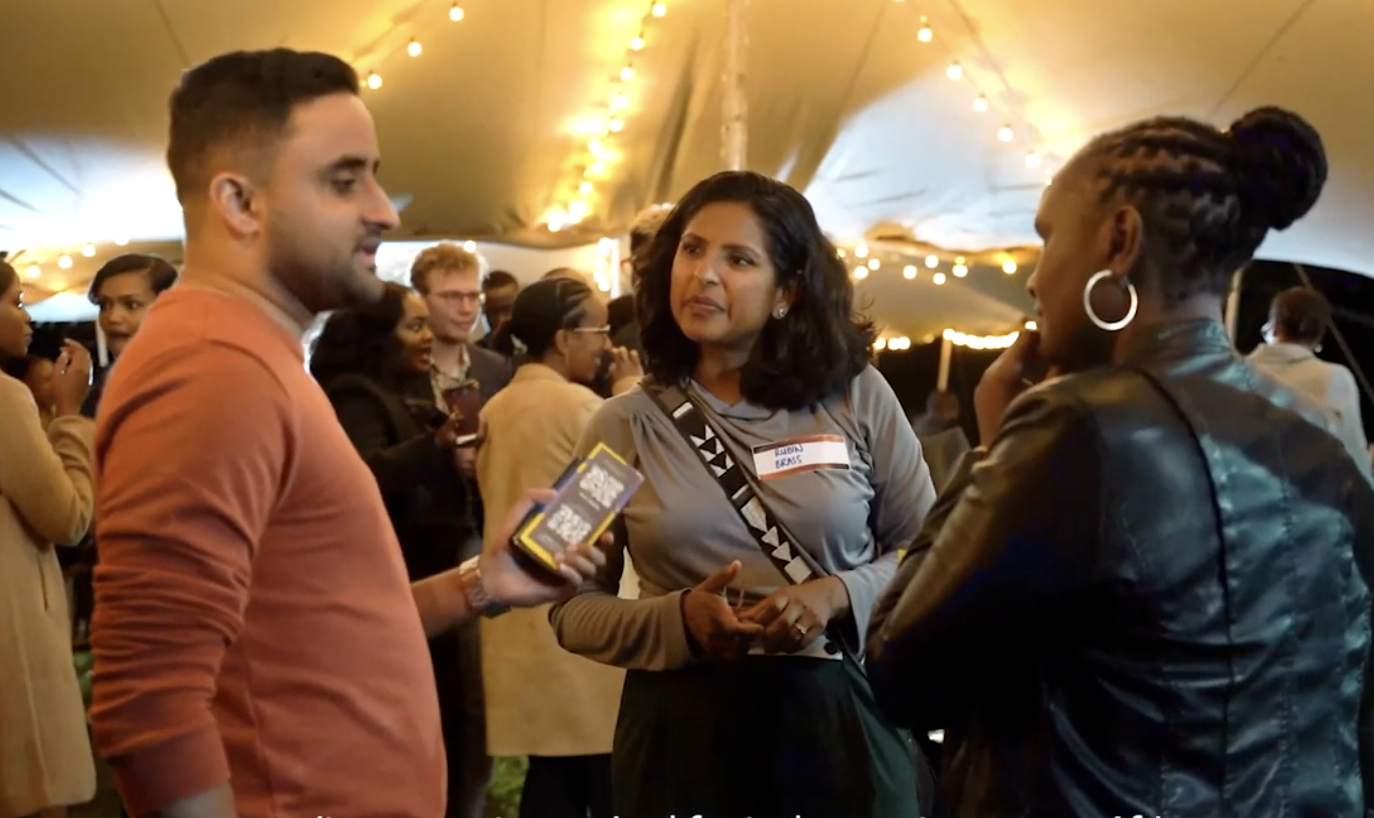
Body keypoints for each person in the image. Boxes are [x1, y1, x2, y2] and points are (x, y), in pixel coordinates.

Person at [87, 48, 608, 818]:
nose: (384, 210)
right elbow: (148, 700)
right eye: (343, 180)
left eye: (373, 176)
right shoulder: (209, 368)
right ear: (239, 201)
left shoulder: (249, 357)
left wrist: (482, 583)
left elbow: (315, 627)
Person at [867, 107, 1374, 817]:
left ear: (1119, 240)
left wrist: (988, 450)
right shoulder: (1320, 440)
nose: (1035, 280)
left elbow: (904, 672)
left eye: (1048, 237)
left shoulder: (1079, 425)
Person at [550, 170, 936, 818]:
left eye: (738, 259)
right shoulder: (621, 427)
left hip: (837, 725)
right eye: (692, 249)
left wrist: (838, 594)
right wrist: (677, 622)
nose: (703, 274)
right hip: (681, 741)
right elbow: (568, 609)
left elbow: (929, 553)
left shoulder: (857, 396)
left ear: (788, 292)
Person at [476, 277, 643, 818]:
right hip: (573, 616)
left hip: (516, 617)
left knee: (551, 781)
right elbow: (617, 488)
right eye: (598, 331)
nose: (606, 345)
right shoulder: (583, 407)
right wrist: (629, 399)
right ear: (564, 338)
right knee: (600, 781)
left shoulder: (496, 406)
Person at [406, 240, 510, 818]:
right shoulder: (401, 368)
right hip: (417, 538)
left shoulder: (494, 368)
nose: (467, 307)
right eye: (452, 296)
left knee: (475, 693)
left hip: (484, 527)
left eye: (473, 296)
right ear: (422, 299)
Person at [0, 260, 97, 818]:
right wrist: (70, 414)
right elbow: (69, 518)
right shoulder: (6, 399)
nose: (27, 318)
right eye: (15, 302)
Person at [1249, 286, 1371, 482]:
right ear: (1319, 335)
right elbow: (1354, 459)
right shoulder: (1334, 378)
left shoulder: (1237, 371)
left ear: (1275, 327)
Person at [82, 253, 178, 418]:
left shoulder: (184, 381)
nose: (112, 317)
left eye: (131, 305)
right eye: (104, 305)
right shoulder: (108, 382)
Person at [2, 354, 57, 428]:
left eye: (55, 376)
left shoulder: (57, 410)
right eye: (47, 379)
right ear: (28, 387)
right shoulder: (25, 418)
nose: (56, 383)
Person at [477, 269, 520, 352]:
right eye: (492, 312)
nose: (501, 320)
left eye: (508, 310)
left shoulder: (539, 348)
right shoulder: (475, 353)